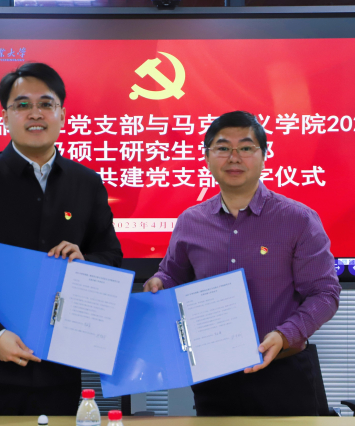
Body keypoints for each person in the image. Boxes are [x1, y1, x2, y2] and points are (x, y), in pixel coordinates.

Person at [0, 63, 122, 426]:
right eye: (22, 104)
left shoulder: (86, 182)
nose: (35, 113)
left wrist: (86, 262)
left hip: (58, 371)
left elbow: (111, 255)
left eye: (46, 104)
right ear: (5, 116)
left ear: (62, 114)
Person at [144, 111, 340, 416]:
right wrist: (159, 283)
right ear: (207, 157)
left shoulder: (298, 219)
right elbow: (172, 275)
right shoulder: (190, 221)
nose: (234, 157)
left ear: (263, 156)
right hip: (214, 374)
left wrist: (285, 334)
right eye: (223, 148)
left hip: (283, 370)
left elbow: (325, 294)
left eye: (246, 148)